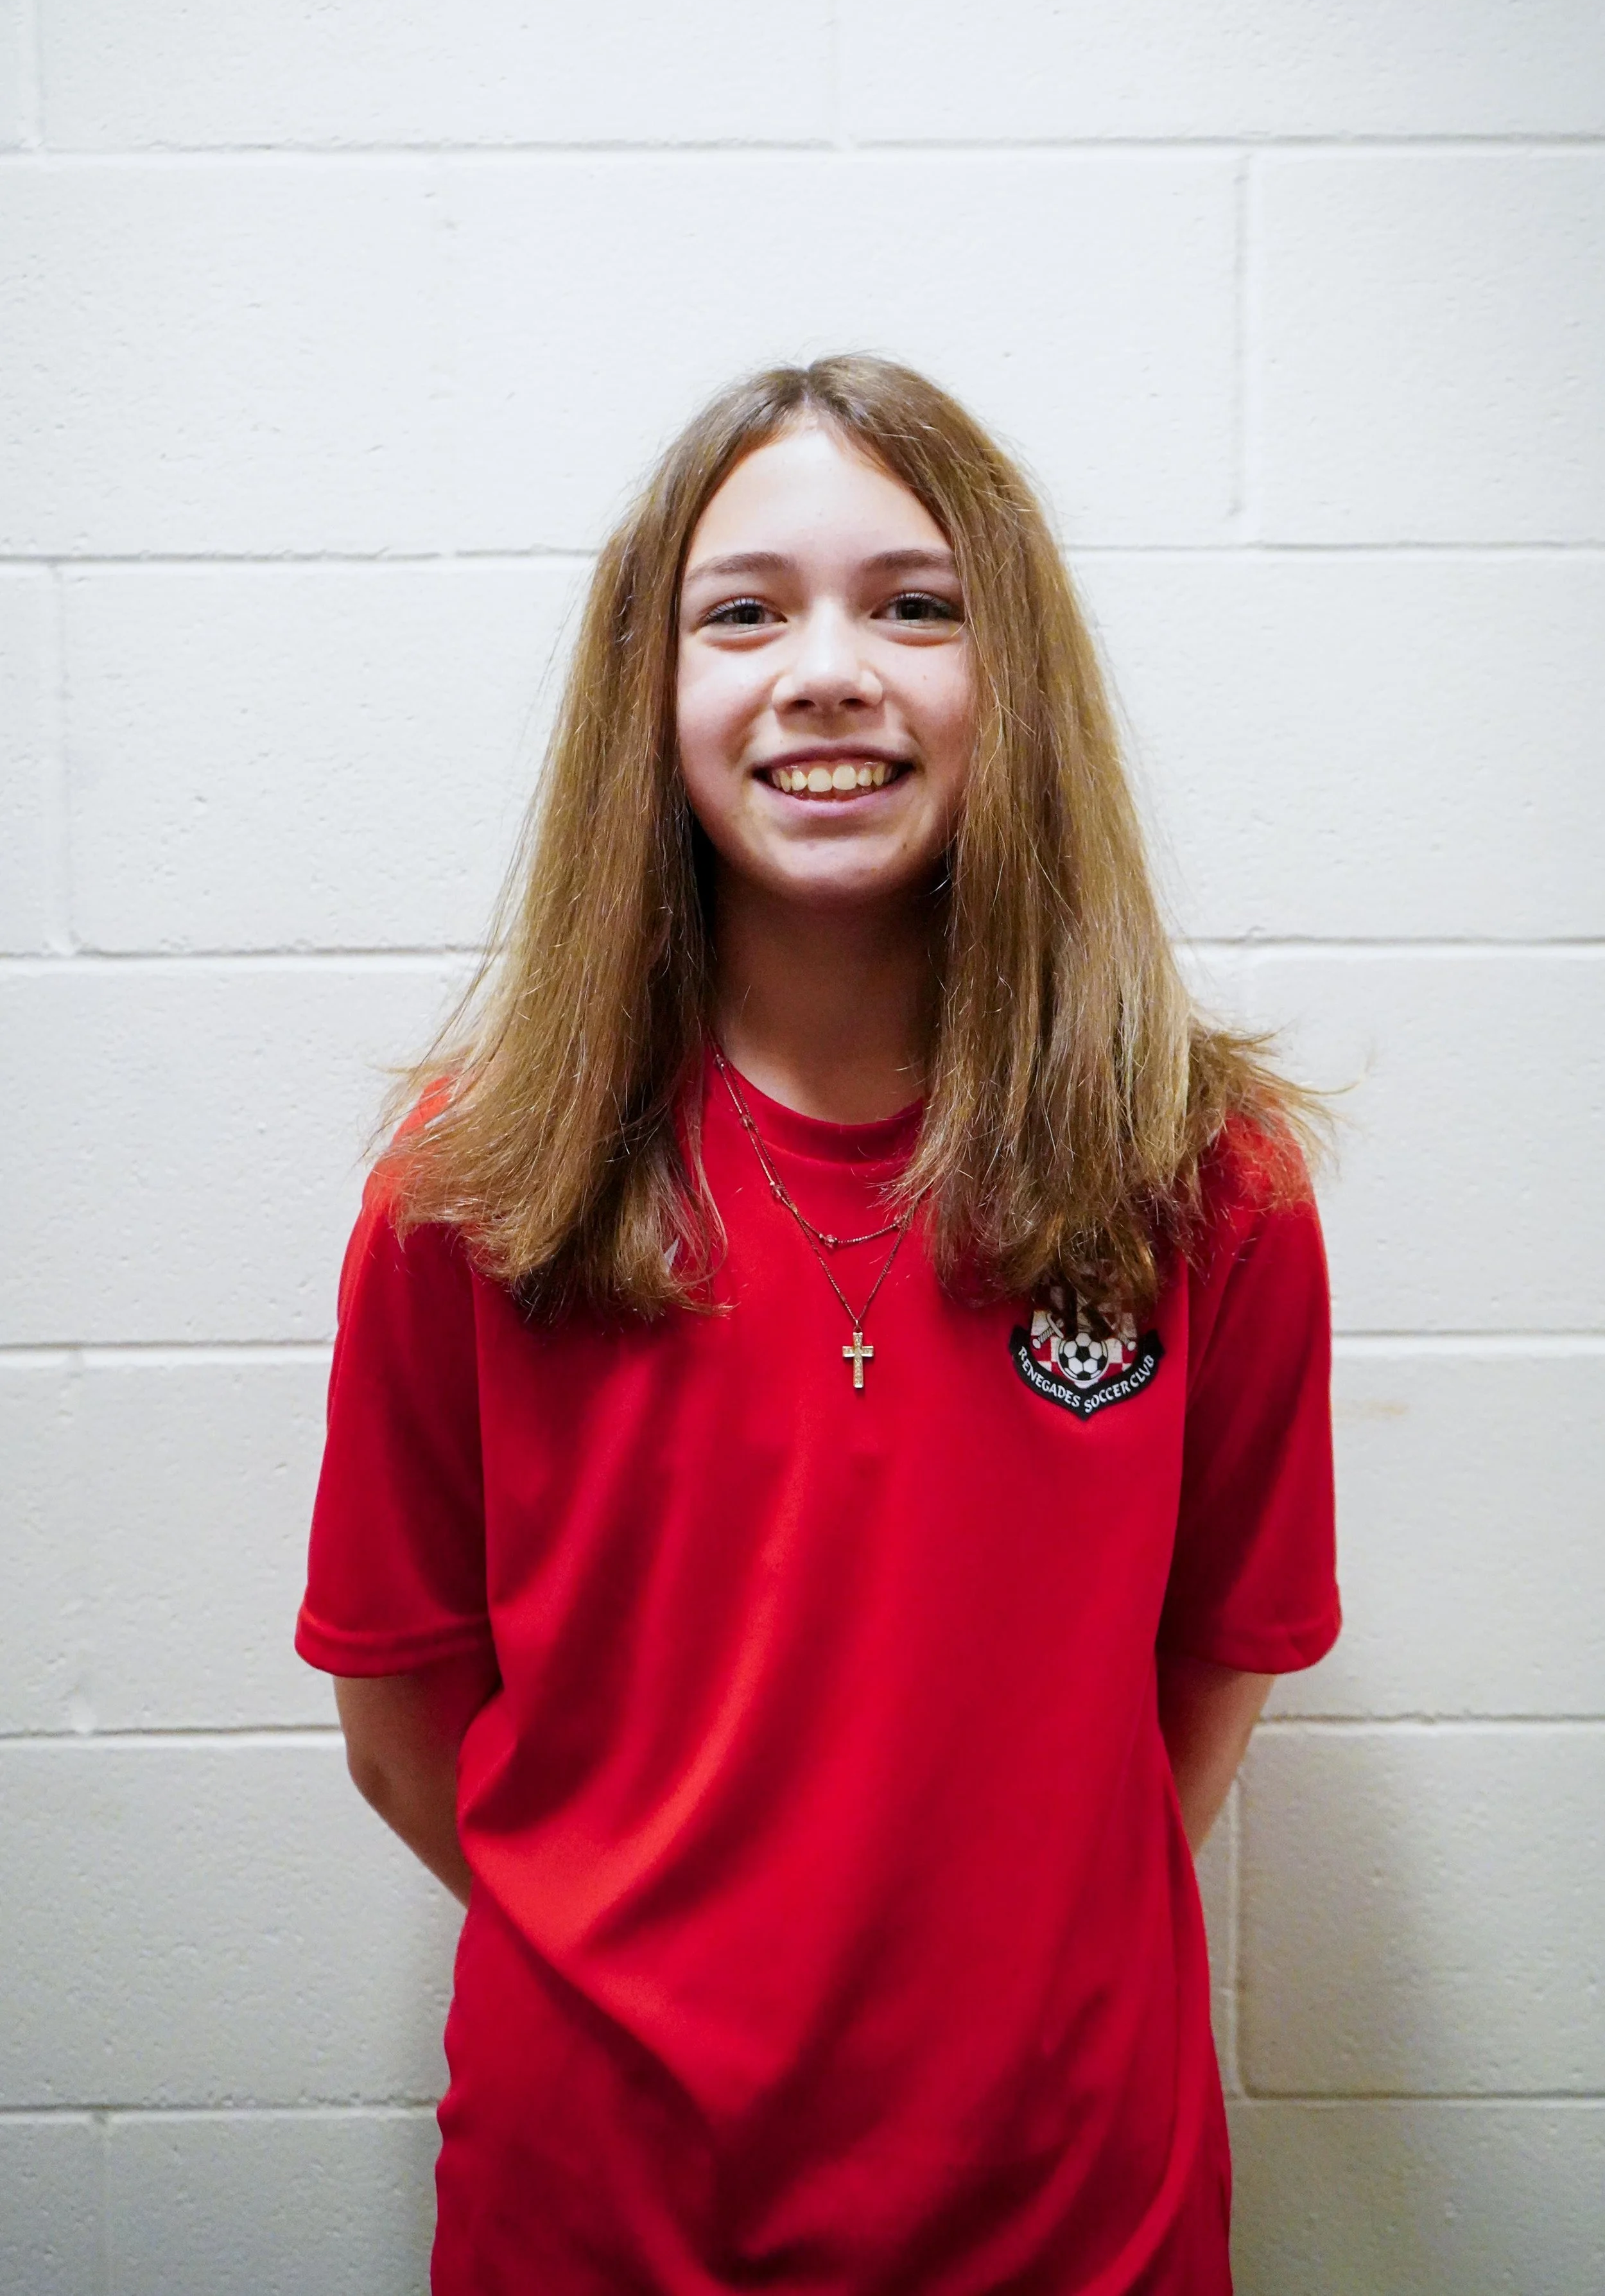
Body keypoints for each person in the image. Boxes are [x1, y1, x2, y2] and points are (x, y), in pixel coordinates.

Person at [295, 354, 1339, 2295]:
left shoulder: (1206, 1184)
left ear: (1015, 683)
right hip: (595, 2211)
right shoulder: (470, 1194)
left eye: (915, 604)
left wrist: (1004, 1983)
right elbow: (400, 1727)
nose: (830, 669)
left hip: (1072, 2213)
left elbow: (1201, 1675)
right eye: (745, 612)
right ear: (650, 693)